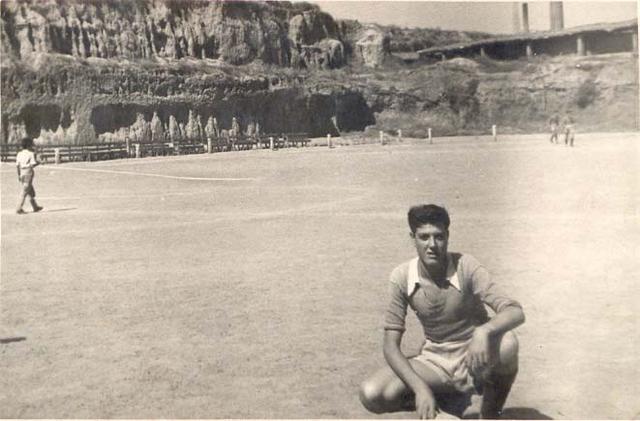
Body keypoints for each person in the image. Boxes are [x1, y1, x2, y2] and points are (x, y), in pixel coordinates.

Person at [359, 204, 525, 419]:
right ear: (413, 238)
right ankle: (447, 406)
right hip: (435, 362)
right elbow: (391, 346)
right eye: (424, 237)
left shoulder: (466, 265)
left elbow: (515, 311)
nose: (432, 245)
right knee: (373, 393)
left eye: (438, 237)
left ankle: (491, 413)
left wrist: (482, 332)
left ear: (447, 236)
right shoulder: (401, 277)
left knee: (508, 343)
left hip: (474, 357)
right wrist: (420, 389)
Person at [15, 137, 43, 214]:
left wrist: (19, 175)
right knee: (25, 191)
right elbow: (33, 164)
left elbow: (17, 165)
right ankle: (19, 208)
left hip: (21, 172)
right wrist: (39, 162)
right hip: (28, 172)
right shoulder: (30, 154)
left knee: (29, 190)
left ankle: (35, 206)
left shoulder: (19, 153)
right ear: (28, 145)